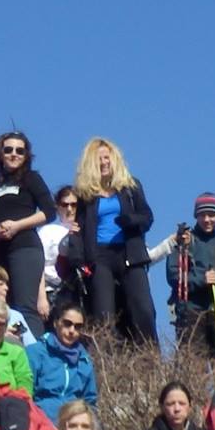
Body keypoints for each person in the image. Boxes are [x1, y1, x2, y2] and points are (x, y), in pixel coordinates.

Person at [70, 137, 156, 342]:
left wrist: (130, 220)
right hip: (100, 257)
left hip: (130, 255)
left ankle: (151, 363)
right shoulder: (86, 195)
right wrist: (79, 257)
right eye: (98, 159)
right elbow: (80, 228)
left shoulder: (130, 187)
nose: (104, 163)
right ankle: (107, 365)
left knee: (143, 310)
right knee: (104, 315)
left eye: (107, 158)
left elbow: (147, 217)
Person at [146, 193, 215, 363]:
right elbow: (174, 275)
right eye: (202, 215)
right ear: (196, 216)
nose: (207, 219)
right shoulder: (183, 241)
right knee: (192, 364)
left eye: (211, 215)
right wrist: (201, 279)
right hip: (191, 311)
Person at [0, 132, 54, 318]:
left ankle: (32, 347)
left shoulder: (30, 178)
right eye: (9, 149)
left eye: (20, 151)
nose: (14, 154)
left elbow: (49, 212)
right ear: (0, 153)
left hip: (24, 247)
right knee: (1, 309)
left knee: (25, 308)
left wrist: (17, 225)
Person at [26, 302, 97, 423]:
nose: (71, 330)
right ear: (56, 323)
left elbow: (90, 401)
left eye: (77, 326)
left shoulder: (84, 360)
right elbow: (25, 394)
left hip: (74, 424)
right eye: (67, 324)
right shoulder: (36, 352)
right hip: (41, 421)